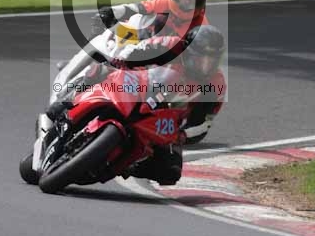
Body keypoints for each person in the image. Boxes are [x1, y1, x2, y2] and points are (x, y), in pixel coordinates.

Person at [48, 24, 226, 186]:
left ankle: (129, 164)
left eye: (211, 60)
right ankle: (65, 102)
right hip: (140, 87)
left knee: (171, 171)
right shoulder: (170, 44)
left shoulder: (215, 84)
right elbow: (138, 48)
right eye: (200, 59)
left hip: (166, 120)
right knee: (101, 69)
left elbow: (204, 123)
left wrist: (183, 134)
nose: (205, 66)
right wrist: (121, 60)